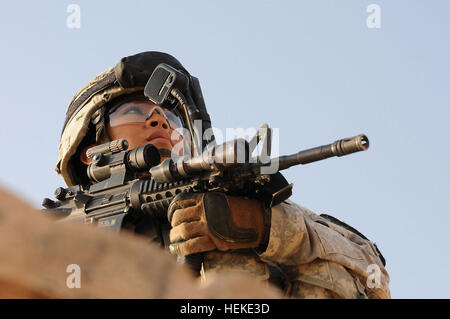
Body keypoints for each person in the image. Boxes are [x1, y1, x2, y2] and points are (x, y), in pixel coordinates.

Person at [55, 51, 391, 298]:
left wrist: (267, 228)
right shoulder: (55, 232)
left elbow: (373, 278)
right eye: (132, 111)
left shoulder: (231, 199)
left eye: (172, 119)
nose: (159, 121)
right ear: (90, 149)